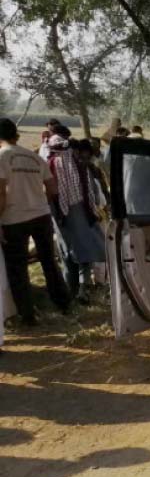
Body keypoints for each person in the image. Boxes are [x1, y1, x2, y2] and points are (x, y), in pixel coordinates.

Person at [0, 118, 71, 325]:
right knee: (49, 261)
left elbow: (1, 194)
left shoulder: (2, 157)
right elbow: (53, 189)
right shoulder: (34, 157)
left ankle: (27, 315)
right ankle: (63, 303)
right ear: (17, 135)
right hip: (41, 216)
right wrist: (39, 203)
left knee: (18, 269)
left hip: (14, 219)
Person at [48, 130, 106, 304]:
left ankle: (73, 292)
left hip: (63, 219)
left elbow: (51, 193)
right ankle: (82, 290)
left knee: (69, 256)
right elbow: (94, 196)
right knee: (84, 254)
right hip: (81, 217)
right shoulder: (81, 168)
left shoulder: (52, 166)